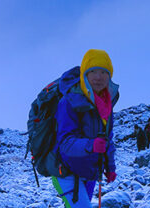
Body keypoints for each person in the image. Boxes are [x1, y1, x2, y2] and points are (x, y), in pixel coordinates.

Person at [54, 49, 119, 208]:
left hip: (89, 172)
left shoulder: (106, 104)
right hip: (66, 171)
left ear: (109, 76)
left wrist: (110, 167)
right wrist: (91, 145)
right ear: (85, 74)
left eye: (103, 72)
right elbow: (65, 143)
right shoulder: (69, 102)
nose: (98, 77)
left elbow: (107, 140)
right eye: (93, 71)